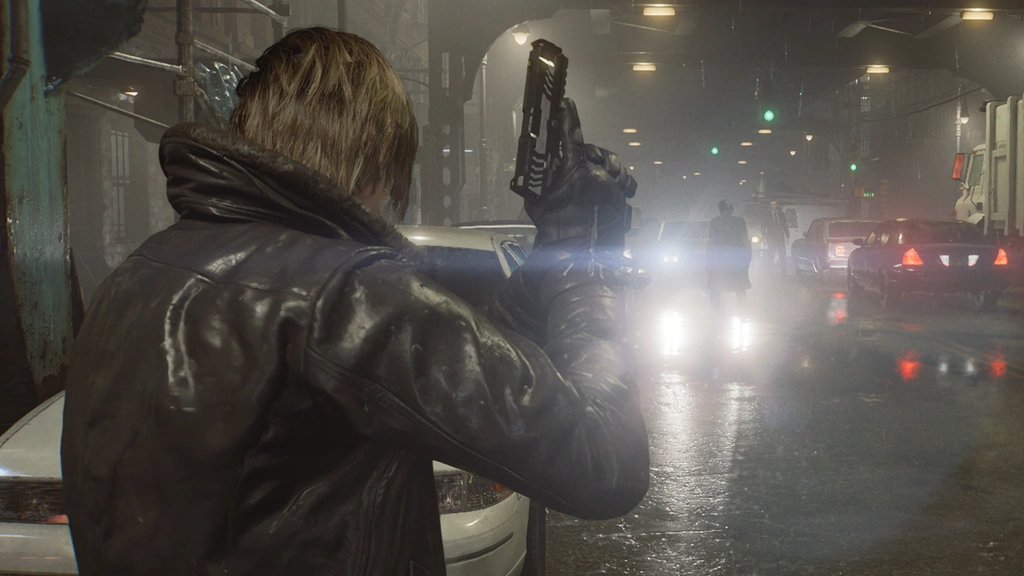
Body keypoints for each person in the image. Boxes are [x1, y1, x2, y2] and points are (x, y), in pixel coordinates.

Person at [60, 28, 649, 576]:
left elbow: (437, 380)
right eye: (393, 183)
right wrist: (581, 261)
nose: (388, 204)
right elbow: (602, 463)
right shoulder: (347, 291)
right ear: (377, 160)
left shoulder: (140, 273)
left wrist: (547, 259)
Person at [707, 199, 752, 314]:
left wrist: (709, 261)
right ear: (731, 209)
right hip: (736, 260)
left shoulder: (715, 222)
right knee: (739, 288)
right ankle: (743, 313)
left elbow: (711, 242)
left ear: (720, 209)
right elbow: (746, 241)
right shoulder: (739, 221)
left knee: (716, 288)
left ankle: (715, 313)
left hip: (719, 261)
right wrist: (747, 259)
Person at [764, 200, 790, 274]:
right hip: (771, 237)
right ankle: (769, 271)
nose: (773, 206)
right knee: (771, 254)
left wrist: (787, 236)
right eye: (771, 204)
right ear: (770, 205)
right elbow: (763, 226)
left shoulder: (781, 214)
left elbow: (784, 225)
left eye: (774, 204)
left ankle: (784, 271)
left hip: (780, 236)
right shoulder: (766, 214)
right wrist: (764, 237)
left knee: (782, 254)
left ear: (776, 205)